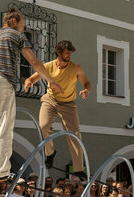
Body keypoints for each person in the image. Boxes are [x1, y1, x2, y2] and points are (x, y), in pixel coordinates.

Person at [0, 7, 62, 180]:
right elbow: (34, 61)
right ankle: (2, 171)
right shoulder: (17, 36)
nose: (23, 29)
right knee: (3, 127)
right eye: (22, 25)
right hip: (1, 80)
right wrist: (51, 81)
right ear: (13, 22)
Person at [24, 40, 92, 176]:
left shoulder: (76, 68)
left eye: (70, 53)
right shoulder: (48, 66)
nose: (69, 55)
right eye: (67, 53)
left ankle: (78, 169)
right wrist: (28, 82)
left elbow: (87, 83)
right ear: (59, 53)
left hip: (68, 104)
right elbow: (31, 79)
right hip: (50, 100)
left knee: (74, 135)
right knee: (43, 126)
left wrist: (86, 90)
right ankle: (50, 153)